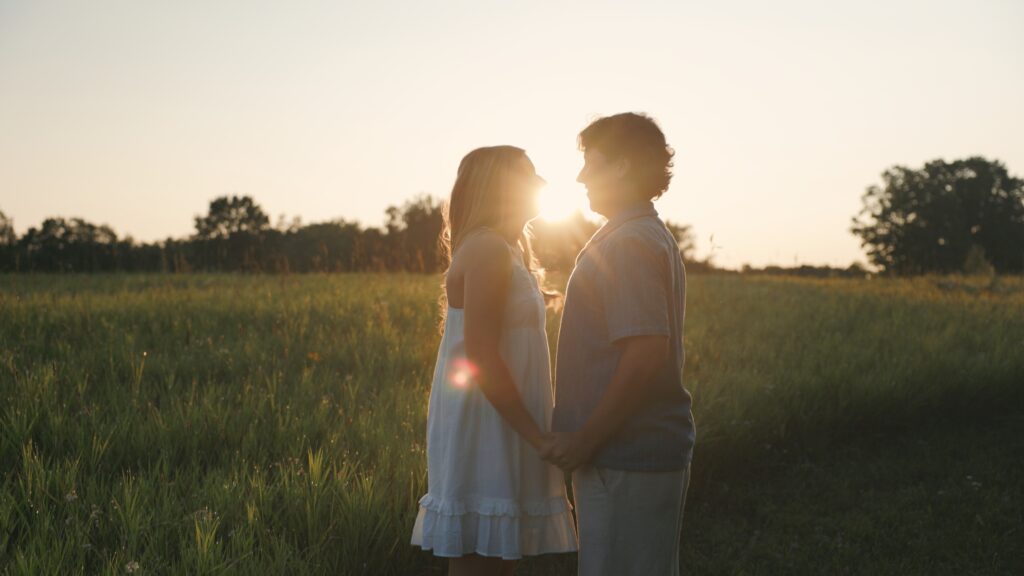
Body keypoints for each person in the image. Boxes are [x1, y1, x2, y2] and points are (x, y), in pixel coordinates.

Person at [411, 146, 578, 575]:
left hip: (502, 418)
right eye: (529, 175)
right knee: (480, 560)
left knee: (495, 558)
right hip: (488, 422)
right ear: (501, 188)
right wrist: (537, 436)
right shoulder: (487, 249)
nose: (541, 184)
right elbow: (480, 356)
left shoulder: (508, 249)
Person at [543, 113, 696, 576]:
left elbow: (645, 353)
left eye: (591, 161)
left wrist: (587, 439)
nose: (581, 175)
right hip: (627, 454)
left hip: (627, 456)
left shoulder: (629, 242)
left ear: (623, 166)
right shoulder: (631, 234)